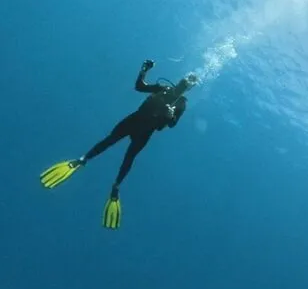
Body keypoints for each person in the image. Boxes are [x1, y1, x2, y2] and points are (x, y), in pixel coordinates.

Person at [40, 60, 199, 229]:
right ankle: (83, 159)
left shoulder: (181, 103)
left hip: (146, 129)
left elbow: (173, 123)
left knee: (129, 156)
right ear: (180, 80)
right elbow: (139, 86)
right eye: (185, 79)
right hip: (135, 119)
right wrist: (143, 70)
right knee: (110, 140)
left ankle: (116, 185)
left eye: (189, 83)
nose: (185, 82)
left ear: (189, 88)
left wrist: (170, 114)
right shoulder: (163, 88)